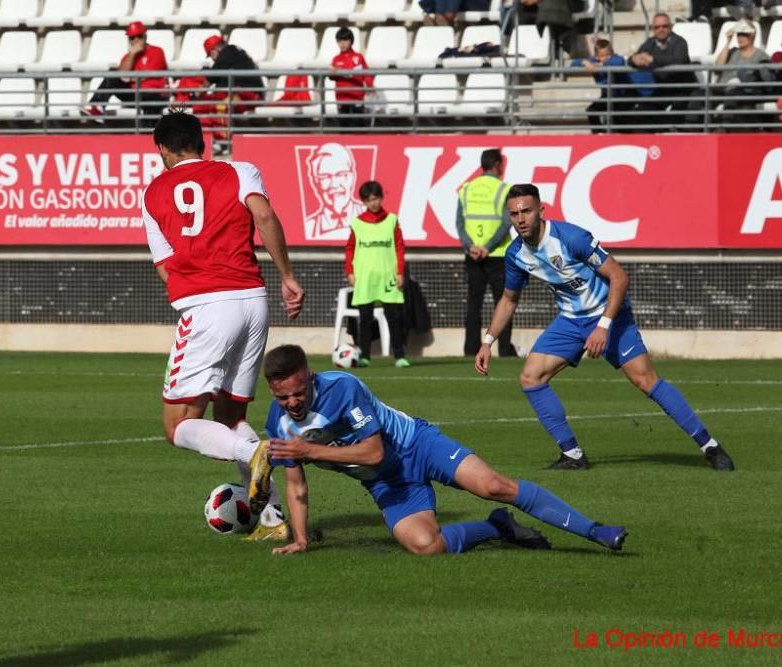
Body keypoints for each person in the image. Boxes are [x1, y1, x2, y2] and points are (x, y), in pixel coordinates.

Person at [261, 344, 629, 556]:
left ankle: (596, 531)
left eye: (298, 392)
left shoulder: (342, 387)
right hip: (388, 485)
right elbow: (296, 487)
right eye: (282, 396)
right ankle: (496, 527)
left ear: (309, 376)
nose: (292, 402)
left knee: (494, 486)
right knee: (426, 547)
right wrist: (302, 540)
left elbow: (373, 452)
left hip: (418, 446)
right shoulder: (278, 423)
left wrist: (310, 450)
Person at [474, 184, 735, 472]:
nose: (521, 219)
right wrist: (487, 341)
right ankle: (572, 455)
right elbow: (509, 299)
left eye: (526, 211)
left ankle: (709, 446)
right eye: (514, 214)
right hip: (571, 321)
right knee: (531, 377)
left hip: (609, 316)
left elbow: (620, 278)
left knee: (645, 380)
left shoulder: (571, 237)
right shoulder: (516, 254)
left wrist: (603, 327)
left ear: (541, 210)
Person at [142, 111, 305, 541]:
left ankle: (255, 452)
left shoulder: (153, 193)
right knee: (231, 415)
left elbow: (165, 268)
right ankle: (272, 519)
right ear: (203, 142)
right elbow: (265, 217)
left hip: (207, 305)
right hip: (253, 301)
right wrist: (287, 276)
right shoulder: (240, 170)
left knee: (178, 425)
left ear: (162, 149)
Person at [458, 149, 517, 358]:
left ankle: (470, 348)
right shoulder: (503, 189)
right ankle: (504, 349)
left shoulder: (466, 189)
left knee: (474, 302)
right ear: (497, 165)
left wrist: (471, 246)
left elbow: (460, 223)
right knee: (505, 301)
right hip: (498, 255)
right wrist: (488, 247)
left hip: (472, 255)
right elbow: (506, 222)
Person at [344, 181, 409, 368]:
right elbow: (349, 249)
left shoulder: (392, 220)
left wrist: (400, 272)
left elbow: (399, 247)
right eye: (369, 200)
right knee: (365, 319)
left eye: (376, 198)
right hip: (364, 277)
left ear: (381, 198)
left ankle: (399, 356)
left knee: (394, 317)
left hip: (387, 276)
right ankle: (364, 356)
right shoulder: (357, 223)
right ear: (364, 201)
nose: (373, 203)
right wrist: (349, 271)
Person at [686, 21, 773, 127]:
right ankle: (690, 127)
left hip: (743, 91)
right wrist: (727, 42)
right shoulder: (731, 52)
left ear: (752, 36)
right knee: (698, 94)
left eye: (744, 35)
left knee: (732, 95)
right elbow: (717, 67)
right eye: (738, 34)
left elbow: (765, 78)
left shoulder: (761, 56)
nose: (740, 38)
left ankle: (724, 127)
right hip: (722, 88)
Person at [81, 22, 169, 122]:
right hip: (135, 93)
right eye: (132, 38)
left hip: (154, 93)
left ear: (145, 36)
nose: (136, 40)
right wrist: (132, 55)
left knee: (150, 120)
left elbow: (148, 75)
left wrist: (130, 78)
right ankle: (97, 107)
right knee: (112, 74)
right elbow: (120, 75)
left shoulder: (157, 51)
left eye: (139, 36)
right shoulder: (128, 57)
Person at [629, 13, 696, 129]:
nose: (661, 30)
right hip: (661, 90)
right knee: (640, 112)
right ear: (652, 29)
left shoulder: (680, 42)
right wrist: (633, 59)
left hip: (682, 90)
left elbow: (678, 59)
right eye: (657, 27)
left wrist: (653, 59)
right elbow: (636, 57)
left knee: (676, 116)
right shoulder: (650, 43)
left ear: (670, 27)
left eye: (664, 26)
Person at [574, 39, 655, 131]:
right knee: (592, 111)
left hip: (623, 95)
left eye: (608, 55)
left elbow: (618, 62)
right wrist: (584, 63)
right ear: (596, 56)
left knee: (619, 119)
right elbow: (573, 64)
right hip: (608, 94)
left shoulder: (616, 59)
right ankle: (599, 134)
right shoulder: (593, 61)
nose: (606, 58)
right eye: (602, 56)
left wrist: (600, 65)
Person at [302, 142, 365, 240]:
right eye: (325, 177)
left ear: (352, 177)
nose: (334, 185)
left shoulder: (369, 217)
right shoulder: (309, 226)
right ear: (315, 182)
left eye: (341, 174)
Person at [329, 27, 374, 128]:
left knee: (359, 126)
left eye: (345, 40)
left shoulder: (358, 57)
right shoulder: (336, 59)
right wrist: (332, 73)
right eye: (339, 41)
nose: (342, 43)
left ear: (351, 41)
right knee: (344, 126)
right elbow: (332, 77)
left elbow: (366, 74)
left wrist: (370, 87)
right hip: (342, 98)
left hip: (357, 97)